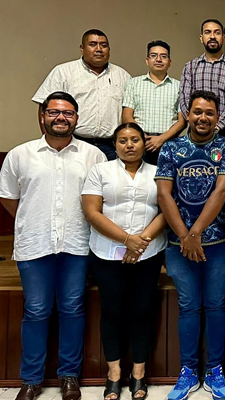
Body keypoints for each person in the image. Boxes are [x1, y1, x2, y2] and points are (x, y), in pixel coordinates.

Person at [0, 92, 106, 400]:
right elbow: (9, 197)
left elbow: (100, 200)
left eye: (68, 113)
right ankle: (31, 380)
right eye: (54, 112)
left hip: (77, 244)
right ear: (43, 116)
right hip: (35, 244)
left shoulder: (93, 156)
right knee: (36, 310)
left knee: (72, 308)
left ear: (76, 118)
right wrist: (34, 219)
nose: (61, 117)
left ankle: (69, 376)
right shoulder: (20, 155)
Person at [156, 90, 225, 400]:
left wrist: (197, 233)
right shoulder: (171, 148)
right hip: (179, 245)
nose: (203, 117)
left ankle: (215, 370)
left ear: (218, 118)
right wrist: (185, 236)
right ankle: (189, 371)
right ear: (188, 115)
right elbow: (164, 194)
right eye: (198, 112)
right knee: (188, 306)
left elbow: (222, 193)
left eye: (209, 113)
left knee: (216, 305)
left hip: (217, 243)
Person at [82, 122, 168, 400]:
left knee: (142, 311)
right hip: (107, 254)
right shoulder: (100, 171)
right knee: (112, 312)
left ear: (144, 143)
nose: (129, 145)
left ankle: (138, 373)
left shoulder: (158, 172)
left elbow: (167, 210)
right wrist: (126, 239)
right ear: (115, 145)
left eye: (135, 140)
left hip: (148, 253)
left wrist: (140, 241)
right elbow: (92, 212)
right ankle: (114, 374)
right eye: (122, 140)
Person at [32, 29, 131, 160]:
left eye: (104, 45)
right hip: (74, 142)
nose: (99, 49)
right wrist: (50, 142)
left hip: (112, 146)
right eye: (92, 44)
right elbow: (44, 107)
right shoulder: (63, 72)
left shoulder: (123, 76)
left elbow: (131, 109)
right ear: (82, 48)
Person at [179, 19, 225, 142]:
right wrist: (195, 121)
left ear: (223, 38)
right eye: (208, 32)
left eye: (217, 32)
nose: (212, 36)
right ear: (201, 38)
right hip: (197, 129)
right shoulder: (190, 67)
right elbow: (184, 99)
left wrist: (218, 125)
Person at [122, 40, 186, 165]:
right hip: (139, 142)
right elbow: (126, 116)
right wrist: (141, 136)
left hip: (169, 143)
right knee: (138, 176)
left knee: (167, 177)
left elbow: (182, 121)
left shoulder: (179, 86)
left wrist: (161, 139)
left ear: (169, 62)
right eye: (153, 55)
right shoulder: (134, 83)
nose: (158, 59)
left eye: (163, 56)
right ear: (147, 60)